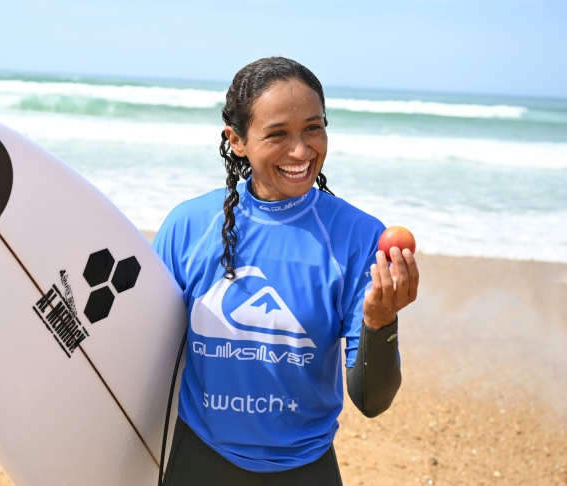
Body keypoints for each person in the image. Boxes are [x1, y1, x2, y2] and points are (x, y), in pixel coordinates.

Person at [152, 57, 420, 485]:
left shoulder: (357, 237)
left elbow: (372, 400)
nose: (301, 150)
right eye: (278, 134)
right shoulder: (189, 227)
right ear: (237, 140)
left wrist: (381, 322)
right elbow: (146, 354)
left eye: (313, 128)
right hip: (197, 458)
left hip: (304, 468)